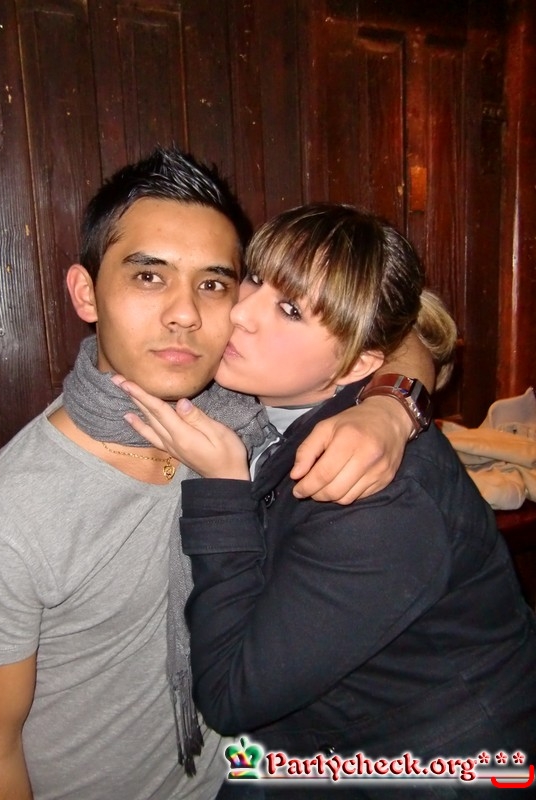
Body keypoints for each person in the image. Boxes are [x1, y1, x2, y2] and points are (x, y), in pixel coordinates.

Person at [0, 150, 434, 800]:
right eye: (149, 277)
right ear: (86, 293)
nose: (185, 314)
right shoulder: (5, 521)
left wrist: (390, 408)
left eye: (214, 284)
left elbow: (405, 331)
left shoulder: (245, 403)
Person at [116, 202, 536, 798]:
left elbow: (230, 697)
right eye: (254, 279)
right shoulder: (296, 397)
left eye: (290, 310)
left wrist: (221, 489)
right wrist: (394, 399)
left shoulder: (370, 501)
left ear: (360, 363)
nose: (240, 313)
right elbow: (408, 333)